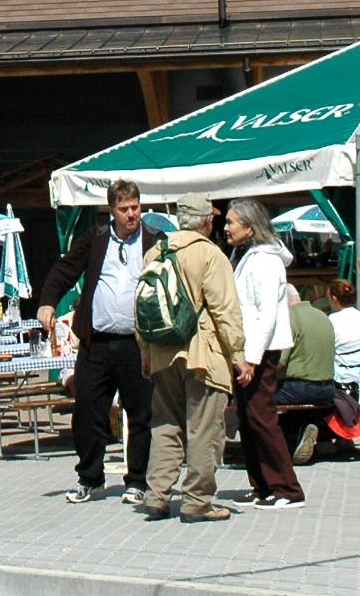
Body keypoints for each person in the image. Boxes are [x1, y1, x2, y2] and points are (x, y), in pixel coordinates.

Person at [36, 178, 156, 507]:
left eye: (135, 207)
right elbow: (65, 270)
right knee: (88, 410)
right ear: (111, 210)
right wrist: (48, 301)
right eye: (124, 208)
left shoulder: (154, 241)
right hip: (96, 343)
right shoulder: (97, 238)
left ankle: (138, 480)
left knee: (141, 413)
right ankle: (89, 477)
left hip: (137, 344)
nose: (131, 214)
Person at [140, 194, 245, 522]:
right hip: (203, 355)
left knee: (165, 425)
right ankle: (197, 501)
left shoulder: (155, 252)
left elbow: (141, 307)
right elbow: (225, 310)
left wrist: (145, 352)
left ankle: (157, 496)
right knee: (204, 429)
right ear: (207, 222)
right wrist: (238, 354)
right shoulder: (210, 254)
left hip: (162, 352)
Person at [226, 198, 304, 511]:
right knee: (247, 418)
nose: (226, 227)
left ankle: (287, 488)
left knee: (262, 417)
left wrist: (252, 358)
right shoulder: (246, 255)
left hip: (262, 348)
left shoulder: (266, 261)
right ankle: (261, 484)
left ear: (249, 226)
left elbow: (266, 313)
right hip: (249, 347)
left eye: (231, 222)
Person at [275, 284, 340, 464]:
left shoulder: (289, 319)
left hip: (299, 388)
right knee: (298, 401)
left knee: (258, 397)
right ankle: (312, 437)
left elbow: (279, 362)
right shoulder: (323, 317)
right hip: (328, 389)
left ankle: (282, 446)